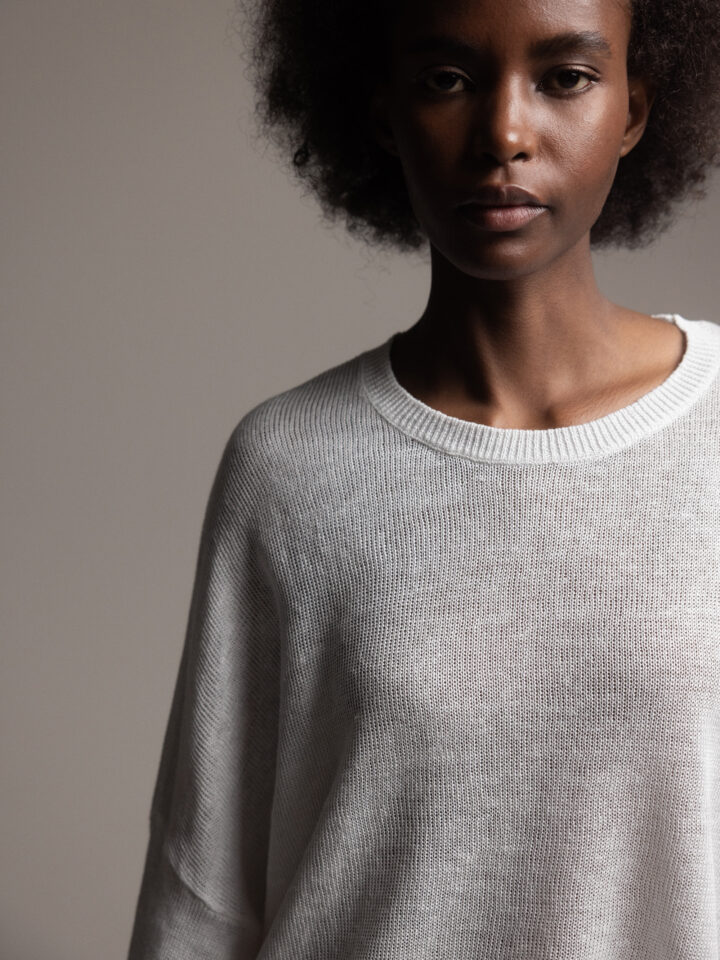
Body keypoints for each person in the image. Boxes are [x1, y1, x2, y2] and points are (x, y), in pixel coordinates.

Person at [127, 0, 720, 956]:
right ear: (383, 113)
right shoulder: (288, 468)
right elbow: (201, 901)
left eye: (565, 78)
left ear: (635, 110)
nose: (504, 134)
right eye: (448, 80)